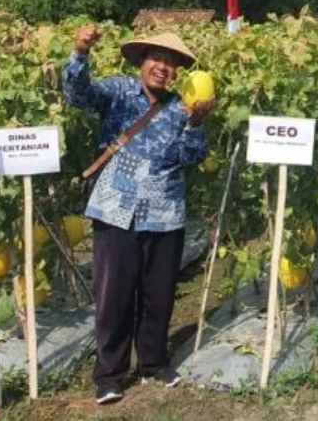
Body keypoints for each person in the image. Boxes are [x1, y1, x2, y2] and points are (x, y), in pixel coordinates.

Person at [63, 27, 215, 405]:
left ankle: (153, 363)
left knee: (158, 294)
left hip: (164, 213)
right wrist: (80, 52)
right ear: (142, 63)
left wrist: (196, 124)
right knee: (113, 296)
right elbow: (78, 95)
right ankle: (110, 374)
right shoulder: (117, 93)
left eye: (170, 63)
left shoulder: (183, 108)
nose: (162, 68)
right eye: (156, 60)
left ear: (177, 71)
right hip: (116, 210)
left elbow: (191, 158)